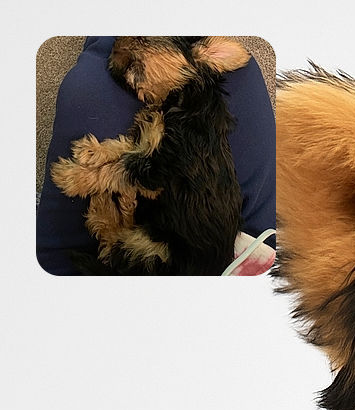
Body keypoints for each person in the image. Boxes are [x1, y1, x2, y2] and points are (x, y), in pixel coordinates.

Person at [37, 36, 276, 275]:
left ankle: (112, 240)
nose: (139, 93)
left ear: (203, 56)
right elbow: (148, 155)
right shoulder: (183, 110)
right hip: (189, 235)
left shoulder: (193, 118)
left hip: (176, 253)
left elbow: (152, 177)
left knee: (131, 251)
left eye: (136, 68)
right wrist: (105, 154)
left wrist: (87, 178)